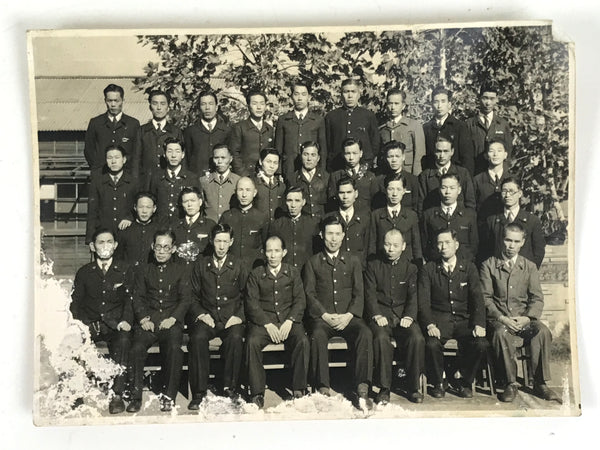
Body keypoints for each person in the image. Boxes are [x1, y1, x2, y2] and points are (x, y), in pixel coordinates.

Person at [480, 223, 560, 403]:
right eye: (508, 240)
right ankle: (510, 383)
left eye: (516, 241)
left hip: (524, 319)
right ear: (501, 240)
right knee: (500, 333)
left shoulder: (529, 267)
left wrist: (527, 317)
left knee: (542, 331)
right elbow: (485, 298)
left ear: (522, 242)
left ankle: (540, 383)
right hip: (499, 320)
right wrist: (501, 318)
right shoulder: (489, 265)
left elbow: (537, 298)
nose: (511, 245)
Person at [303, 215, 373, 409]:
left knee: (365, 333)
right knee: (317, 335)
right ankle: (322, 387)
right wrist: (324, 315)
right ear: (322, 235)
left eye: (337, 234)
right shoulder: (313, 262)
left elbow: (359, 293)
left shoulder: (353, 261)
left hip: (348, 317)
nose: (333, 239)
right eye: (329, 234)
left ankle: (362, 388)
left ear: (343, 236)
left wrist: (349, 315)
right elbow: (309, 294)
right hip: (324, 319)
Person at [418, 229, 488, 399]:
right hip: (440, 321)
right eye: (440, 243)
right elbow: (423, 302)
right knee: (431, 344)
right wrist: (430, 324)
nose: (443, 247)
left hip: (464, 321)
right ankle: (438, 381)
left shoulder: (469, 268)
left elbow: (477, 298)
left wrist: (479, 324)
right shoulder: (429, 269)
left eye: (447, 242)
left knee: (480, 344)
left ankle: (464, 380)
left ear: (456, 245)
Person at [70, 228, 133, 414]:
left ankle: (117, 395)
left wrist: (126, 320)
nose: (105, 246)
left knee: (123, 341)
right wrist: (79, 325)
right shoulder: (84, 272)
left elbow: (130, 300)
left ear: (115, 245)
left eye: (109, 242)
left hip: (115, 325)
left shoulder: (125, 270)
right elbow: (76, 303)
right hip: (91, 324)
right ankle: (76, 392)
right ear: (92, 246)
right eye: (101, 242)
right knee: (74, 341)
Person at [128, 230, 191, 413]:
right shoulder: (144, 270)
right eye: (158, 247)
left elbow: (185, 299)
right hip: (149, 322)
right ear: (152, 247)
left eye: (166, 247)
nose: (161, 251)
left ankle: (168, 396)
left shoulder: (181, 270)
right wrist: (143, 318)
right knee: (136, 348)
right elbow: (138, 297)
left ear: (173, 249)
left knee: (174, 349)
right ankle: (135, 397)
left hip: (171, 322)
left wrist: (173, 318)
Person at [187, 224, 248, 409]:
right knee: (197, 338)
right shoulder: (201, 265)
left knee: (236, 338)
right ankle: (199, 392)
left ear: (231, 242)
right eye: (218, 241)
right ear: (211, 241)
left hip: (231, 318)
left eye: (225, 242)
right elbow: (192, 296)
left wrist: (239, 316)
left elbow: (248, 296)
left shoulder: (239, 265)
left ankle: (230, 388)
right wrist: (201, 314)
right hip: (208, 317)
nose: (221, 246)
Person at [245, 235, 310, 408]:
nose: (273, 255)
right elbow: (252, 303)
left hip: (289, 322)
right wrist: (267, 324)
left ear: (284, 252)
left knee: (302, 341)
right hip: (265, 323)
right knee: (252, 342)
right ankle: (257, 393)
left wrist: (290, 321)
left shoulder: (292, 272)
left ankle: (299, 389)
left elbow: (300, 300)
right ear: (263, 252)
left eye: (277, 251)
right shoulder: (256, 274)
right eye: (269, 251)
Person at [365, 229, 425, 404]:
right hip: (381, 317)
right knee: (381, 338)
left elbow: (413, 296)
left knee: (417, 338)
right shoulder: (373, 266)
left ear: (403, 246)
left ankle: (413, 387)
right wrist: (376, 314)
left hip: (402, 316)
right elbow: (369, 294)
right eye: (387, 244)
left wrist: (409, 316)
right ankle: (384, 388)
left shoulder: (411, 268)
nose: (390, 249)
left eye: (395, 245)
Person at [481, 177, 546, 268]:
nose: (507, 195)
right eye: (504, 191)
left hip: (523, 271)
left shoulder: (532, 220)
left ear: (519, 193)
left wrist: (529, 271)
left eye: (511, 191)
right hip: (498, 271)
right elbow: (486, 250)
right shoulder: (492, 220)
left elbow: (539, 251)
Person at [84, 83, 141, 178]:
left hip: (126, 177)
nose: (113, 104)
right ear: (105, 101)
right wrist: (97, 170)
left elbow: (136, 152)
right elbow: (89, 151)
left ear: (123, 100)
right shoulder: (95, 123)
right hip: (101, 176)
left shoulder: (133, 124)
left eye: (116, 100)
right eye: (110, 101)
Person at [275, 80, 327, 180]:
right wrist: (278, 173)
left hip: (312, 171)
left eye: (303, 94)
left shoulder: (318, 120)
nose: (299, 98)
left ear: (309, 97)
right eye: (296, 94)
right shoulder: (283, 120)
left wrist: (321, 171)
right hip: (289, 169)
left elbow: (323, 150)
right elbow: (278, 149)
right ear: (291, 97)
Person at [85, 145, 137, 244]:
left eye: (117, 157)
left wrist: (129, 218)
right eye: (109, 158)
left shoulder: (133, 182)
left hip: (127, 235)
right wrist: (90, 240)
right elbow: (92, 213)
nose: (113, 161)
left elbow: (139, 207)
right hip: (104, 236)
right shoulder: (97, 182)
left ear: (124, 160)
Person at [421, 173, 478, 263]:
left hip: (463, 265)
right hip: (437, 265)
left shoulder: (469, 215)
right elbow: (425, 244)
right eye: (444, 188)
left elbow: (474, 245)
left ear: (459, 190)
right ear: (439, 189)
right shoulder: (428, 215)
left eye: (452, 188)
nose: (447, 192)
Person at [325, 78, 380, 171]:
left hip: (363, 167)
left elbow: (375, 143)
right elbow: (328, 144)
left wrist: (367, 162)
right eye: (346, 92)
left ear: (359, 94)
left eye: (353, 92)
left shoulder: (368, 115)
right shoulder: (331, 116)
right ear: (341, 94)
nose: (350, 96)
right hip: (338, 167)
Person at [368, 173, 422, 264]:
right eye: (391, 189)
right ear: (385, 190)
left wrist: (417, 265)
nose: (395, 194)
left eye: (398, 189)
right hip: (382, 265)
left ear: (404, 191)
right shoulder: (376, 215)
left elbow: (416, 245)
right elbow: (372, 244)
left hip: (406, 265)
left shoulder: (411, 216)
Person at [422, 86, 475, 175]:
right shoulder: (426, 128)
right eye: (436, 102)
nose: (439, 106)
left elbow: (467, 158)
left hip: (455, 176)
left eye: (443, 101)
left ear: (449, 104)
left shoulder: (459, 127)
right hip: (433, 176)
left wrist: (465, 179)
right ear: (432, 105)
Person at [149, 137, 200, 225]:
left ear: (183, 154)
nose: (173, 155)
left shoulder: (192, 178)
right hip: (160, 225)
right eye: (169, 151)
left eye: (177, 151)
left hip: (183, 226)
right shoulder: (156, 178)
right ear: (164, 154)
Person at [219, 177, 268, 269]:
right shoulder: (227, 216)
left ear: (254, 193)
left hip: (253, 268)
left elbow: (266, 245)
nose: (244, 195)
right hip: (230, 268)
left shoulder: (262, 217)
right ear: (235, 192)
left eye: (248, 190)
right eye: (240, 190)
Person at [418, 135, 476, 212]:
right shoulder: (425, 176)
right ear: (434, 151)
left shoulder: (463, 173)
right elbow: (421, 206)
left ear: (452, 152)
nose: (442, 156)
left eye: (445, 151)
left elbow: (470, 204)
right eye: (439, 151)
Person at [267, 186, 320, 270]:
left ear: (303, 202)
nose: (293, 205)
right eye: (289, 200)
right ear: (285, 202)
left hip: (306, 272)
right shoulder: (277, 225)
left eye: (297, 200)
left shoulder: (312, 224)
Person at [465, 82, 513, 174]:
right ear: (479, 98)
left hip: (496, 174)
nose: (488, 103)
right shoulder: (469, 124)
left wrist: (503, 173)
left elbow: (508, 152)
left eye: (492, 99)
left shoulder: (502, 124)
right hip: (475, 174)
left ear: (496, 100)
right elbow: (465, 154)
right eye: (485, 98)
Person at [139, 90, 183, 189]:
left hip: (168, 183)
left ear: (168, 107)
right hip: (146, 183)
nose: (159, 108)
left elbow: (182, 160)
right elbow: (135, 161)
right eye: (155, 104)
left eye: (162, 104)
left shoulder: (176, 132)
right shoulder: (142, 131)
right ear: (150, 107)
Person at [324, 176, 370, 268]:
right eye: (342, 193)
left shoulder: (365, 218)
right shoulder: (328, 218)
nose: (345, 197)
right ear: (337, 195)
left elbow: (369, 247)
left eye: (349, 192)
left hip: (360, 269)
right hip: (336, 269)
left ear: (356, 194)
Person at [378, 88, 425, 175]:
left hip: (407, 172)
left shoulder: (414, 126)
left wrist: (416, 177)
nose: (393, 107)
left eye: (396, 103)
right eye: (390, 103)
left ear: (403, 106)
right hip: (387, 173)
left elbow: (419, 154)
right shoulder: (382, 128)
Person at [184, 91, 231, 176]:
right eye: (203, 104)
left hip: (220, 179)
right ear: (199, 108)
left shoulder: (227, 131)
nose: (207, 108)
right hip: (196, 178)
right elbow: (186, 158)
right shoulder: (190, 132)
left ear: (216, 107)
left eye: (211, 104)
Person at [230, 90, 275, 176]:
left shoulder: (269, 129)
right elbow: (234, 154)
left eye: (262, 104)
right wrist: (244, 174)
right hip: (244, 175)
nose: (259, 107)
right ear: (248, 106)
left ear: (265, 106)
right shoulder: (239, 127)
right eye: (254, 103)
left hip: (265, 175)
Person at [328, 138, 377, 212]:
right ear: (343, 154)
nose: (351, 158)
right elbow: (332, 204)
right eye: (348, 153)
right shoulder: (336, 176)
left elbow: (375, 203)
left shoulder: (370, 176)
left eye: (355, 153)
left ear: (361, 153)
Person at [171, 186, 217, 267]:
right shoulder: (175, 226)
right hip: (179, 270)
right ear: (182, 204)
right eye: (185, 201)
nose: (189, 204)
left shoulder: (210, 225)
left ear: (200, 202)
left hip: (202, 271)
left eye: (193, 201)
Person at [372, 140, 420, 213]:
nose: (394, 160)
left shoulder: (413, 180)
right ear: (385, 158)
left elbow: (416, 206)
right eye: (390, 156)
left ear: (403, 157)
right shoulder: (378, 181)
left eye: (397, 156)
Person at [116, 191, 162, 266]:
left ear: (154, 209)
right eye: (141, 207)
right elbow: (118, 257)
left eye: (148, 207)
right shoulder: (125, 230)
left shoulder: (159, 230)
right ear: (135, 207)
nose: (144, 211)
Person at [473, 139, 512, 226]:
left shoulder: (512, 179)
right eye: (491, 151)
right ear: (486, 155)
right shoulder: (477, 180)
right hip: (483, 227)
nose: (495, 154)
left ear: (505, 155)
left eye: (499, 151)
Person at [199, 143, 241, 223]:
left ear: (231, 159)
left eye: (223, 157)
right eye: (216, 158)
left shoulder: (238, 181)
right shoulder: (204, 181)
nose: (219, 161)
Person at [290, 141, 330, 220]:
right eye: (306, 154)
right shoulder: (293, 178)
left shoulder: (326, 177)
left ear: (318, 158)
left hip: (322, 221)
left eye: (313, 155)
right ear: (301, 156)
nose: (309, 159)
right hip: (302, 223)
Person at [252, 148, 286, 222]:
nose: (272, 166)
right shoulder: (253, 183)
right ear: (261, 161)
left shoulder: (281, 186)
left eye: (275, 163)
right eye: (268, 162)